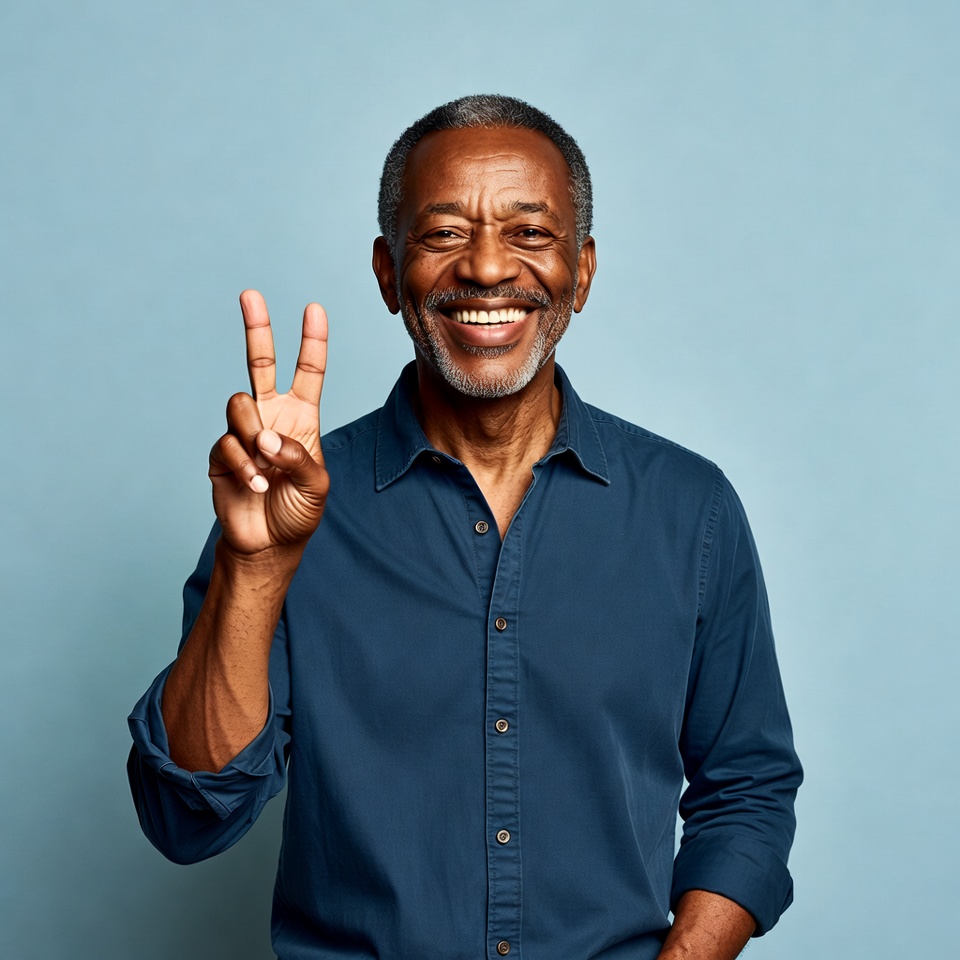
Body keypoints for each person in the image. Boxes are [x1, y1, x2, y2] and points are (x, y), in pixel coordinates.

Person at [128, 94, 802, 960]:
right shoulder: (286, 509)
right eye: (444, 233)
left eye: (530, 232)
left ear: (582, 270)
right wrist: (255, 569)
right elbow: (188, 817)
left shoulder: (690, 510)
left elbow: (747, 792)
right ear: (388, 272)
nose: (486, 268)